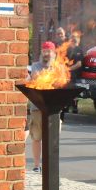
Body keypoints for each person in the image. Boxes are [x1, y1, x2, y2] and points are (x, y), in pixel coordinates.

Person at [26, 41, 58, 171]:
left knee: (52, 139)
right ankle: (36, 165)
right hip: (37, 108)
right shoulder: (35, 66)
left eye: (49, 51)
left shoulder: (59, 69)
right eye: (44, 51)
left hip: (53, 109)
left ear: (54, 53)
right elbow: (33, 81)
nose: (47, 54)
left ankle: (49, 165)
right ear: (41, 53)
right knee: (37, 137)